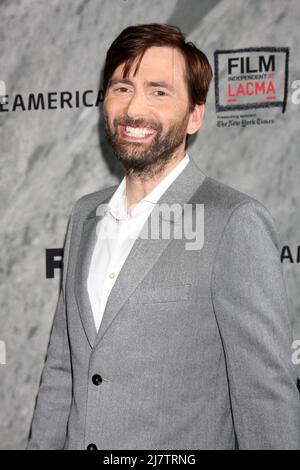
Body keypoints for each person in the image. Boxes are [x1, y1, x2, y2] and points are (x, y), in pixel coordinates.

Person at [27, 23, 300, 450]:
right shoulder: (85, 215)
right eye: (122, 87)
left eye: (158, 91)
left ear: (195, 114)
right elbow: (64, 369)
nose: (134, 107)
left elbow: (264, 399)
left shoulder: (233, 222)